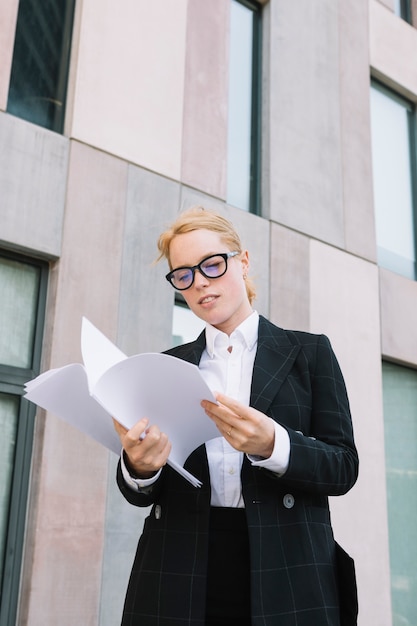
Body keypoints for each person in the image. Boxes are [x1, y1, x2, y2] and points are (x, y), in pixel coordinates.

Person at [113, 206, 359, 626]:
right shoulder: (165, 366)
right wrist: (139, 466)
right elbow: (140, 493)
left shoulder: (310, 353)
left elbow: (343, 467)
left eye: (211, 264)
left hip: (286, 568)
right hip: (179, 569)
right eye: (184, 275)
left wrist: (274, 446)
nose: (200, 283)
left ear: (242, 261)